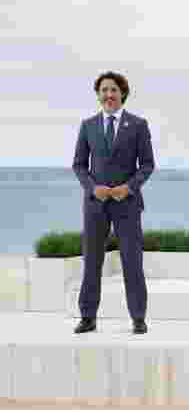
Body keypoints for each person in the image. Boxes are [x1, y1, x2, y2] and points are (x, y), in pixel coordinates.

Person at [72, 72, 155, 334]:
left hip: (127, 204)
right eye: (104, 90)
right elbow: (78, 165)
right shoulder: (88, 126)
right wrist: (92, 187)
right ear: (99, 94)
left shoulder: (139, 125)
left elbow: (148, 165)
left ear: (122, 94)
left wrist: (128, 187)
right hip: (95, 205)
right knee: (92, 262)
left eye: (114, 90)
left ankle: (138, 317)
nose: (109, 95)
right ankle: (88, 317)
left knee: (132, 261)